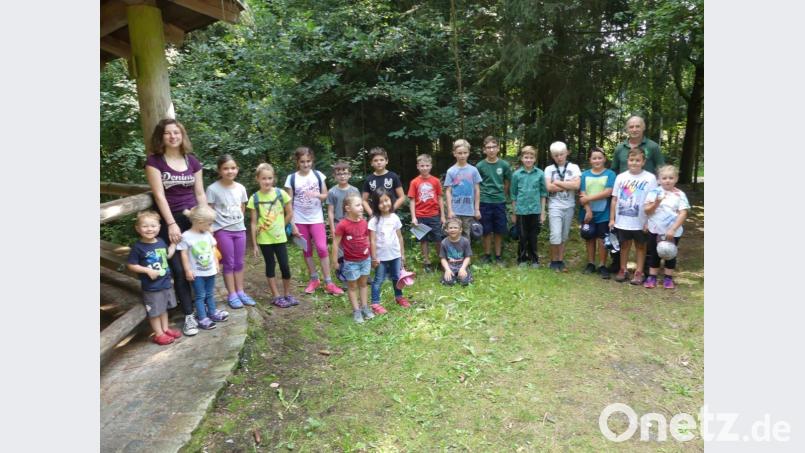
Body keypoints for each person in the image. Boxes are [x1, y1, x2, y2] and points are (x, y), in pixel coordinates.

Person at [144, 118, 207, 336]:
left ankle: (204, 308)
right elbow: (159, 196)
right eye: (168, 133)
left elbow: (200, 193)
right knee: (179, 270)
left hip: (193, 220)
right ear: (161, 137)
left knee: (199, 263)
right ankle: (188, 315)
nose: (173, 136)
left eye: (176, 132)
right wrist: (171, 224)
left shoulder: (193, 161)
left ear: (182, 135)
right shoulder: (154, 162)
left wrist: (204, 220)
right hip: (170, 222)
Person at [609, 115, 665, 277]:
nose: (634, 129)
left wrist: (663, 194)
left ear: (643, 127)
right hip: (624, 196)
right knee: (624, 242)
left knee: (642, 243)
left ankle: (644, 269)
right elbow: (613, 170)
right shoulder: (620, 148)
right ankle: (620, 266)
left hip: (645, 201)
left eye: (637, 126)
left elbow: (661, 170)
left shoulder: (653, 147)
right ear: (627, 129)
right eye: (631, 126)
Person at [284, 146, 344, 295]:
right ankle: (314, 279)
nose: (306, 164)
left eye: (308, 161)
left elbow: (326, 195)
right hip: (299, 220)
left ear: (312, 161)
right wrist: (292, 224)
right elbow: (288, 203)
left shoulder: (318, 175)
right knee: (307, 249)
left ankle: (329, 282)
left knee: (322, 248)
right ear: (297, 162)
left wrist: (316, 195)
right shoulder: (291, 178)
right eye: (302, 161)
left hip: (316, 219)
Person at [206, 154, 255, 309]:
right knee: (229, 262)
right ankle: (232, 294)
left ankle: (241, 292)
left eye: (233, 168)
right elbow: (209, 211)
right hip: (222, 230)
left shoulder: (241, 188)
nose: (230, 171)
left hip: (239, 230)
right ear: (219, 170)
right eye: (226, 168)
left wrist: (238, 221)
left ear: (237, 169)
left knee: (239, 262)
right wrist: (210, 232)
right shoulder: (212, 189)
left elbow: (242, 207)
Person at [126, 211, 182, 345]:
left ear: (159, 227)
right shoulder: (138, 247)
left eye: (153, 226)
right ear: (138, 228)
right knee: (155, 312)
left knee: (164, 308)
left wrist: (174, 245)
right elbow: (131, 265)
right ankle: (159, 334)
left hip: (165, 283)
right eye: (145, 226)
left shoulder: (161, 241)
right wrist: (147, 270)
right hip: (152, 287)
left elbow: (167, 255)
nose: (149, 229)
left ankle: (165, 329)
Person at [248, 163, 299, 307]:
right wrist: (255, 244)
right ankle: (276, 296)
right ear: (258, 179)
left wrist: (281, 226)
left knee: (285, 266)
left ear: (273, 178)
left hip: (280, 238)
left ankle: (287, 294)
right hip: (264, 239)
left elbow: (290, 213)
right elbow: (253, 223)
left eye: (269, 178)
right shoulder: (254, 198)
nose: (267, 181)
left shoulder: (281, 194)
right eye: (263, 178)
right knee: (270, 265)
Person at [609, 148, 658, 285]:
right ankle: (623, 269)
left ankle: (639, 272)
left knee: (641, 246)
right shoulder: (621, 177)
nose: (634, 163)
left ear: (643, 162)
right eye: (631, 160)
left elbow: (653, 202)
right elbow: (614, 199)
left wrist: (649, 221)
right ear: (627, 161)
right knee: (624, 245)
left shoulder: (650, 178)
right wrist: (612, 219)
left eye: (638, 160)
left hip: (641, 221)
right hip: (622, 220)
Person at [177, 205, 230, 331]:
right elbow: (184, 254)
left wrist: (216, 263)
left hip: (210, 271)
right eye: (209, 224)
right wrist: (188, 270)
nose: (211, 226)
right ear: (200, 222)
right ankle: (202, 318)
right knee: (200, 295)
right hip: (197, 273)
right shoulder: (186, 236)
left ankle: (212, 312)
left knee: (210, 293)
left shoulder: (207, 234)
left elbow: (213, 249)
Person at [643, 165, 689, 289]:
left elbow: (683, 213)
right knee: (654, 253)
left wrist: (673, 229)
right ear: (659, 180)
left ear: (676, 179)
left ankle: (668, 278)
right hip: (655, 230)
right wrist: (657, 203)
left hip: (673, 232)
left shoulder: (680, 195)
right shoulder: (653, 193)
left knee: (670, 254)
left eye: (671, 178)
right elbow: (647, 210)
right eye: (664, 178)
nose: (667, 180)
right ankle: (652, 276)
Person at [332, 193, 375, 323]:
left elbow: (367, 239)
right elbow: (335, 243)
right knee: (352, 286)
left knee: (363, 284)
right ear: (348, 208)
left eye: (361, 205)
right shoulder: (342, 225)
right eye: (358, 205)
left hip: (365, 260)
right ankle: (356, 311)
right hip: (350, 262)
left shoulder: (364, 223)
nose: (361, 207)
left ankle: (365, 308)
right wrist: (334, 261)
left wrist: (372, 256)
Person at [369, 189, 411, 314]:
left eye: (386, 200)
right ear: (376, 204)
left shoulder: (395, 218)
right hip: (380, 257)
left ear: (391, 200)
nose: (384, 204)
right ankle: (375, 303)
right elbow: (372, 241)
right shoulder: (374, 221)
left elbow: (400, 237)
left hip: (395, 255)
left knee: (396, 277)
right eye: (380, 202)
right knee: (378, 280)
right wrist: (374, 257)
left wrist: (402, 254)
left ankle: (399, 297)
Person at [578, 147, 617, 278]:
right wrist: (588, 210)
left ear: (604, 159)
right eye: (594, 158)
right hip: (587, 212)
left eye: (600, 158)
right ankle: (590, 263)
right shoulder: (584, 175)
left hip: (604, 213)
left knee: (602, 238)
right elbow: (582, 194)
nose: (597, 160)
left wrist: (588, 198)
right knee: (589, 237)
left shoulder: (610, 174)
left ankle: (602, 265)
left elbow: (608, 192)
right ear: (590, 160)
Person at [544, 141, 581, 272]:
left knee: (564, 235)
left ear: (567, 153)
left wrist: (557, 182)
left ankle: (560, 260)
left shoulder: (574, 167)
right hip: (554, 206)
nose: (559, 157)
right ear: (552, 156)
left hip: (569, 205)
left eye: (561, 154)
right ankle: (553, 261)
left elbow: (576, 186)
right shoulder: (549, 169)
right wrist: (567, 184)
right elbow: (549, 187)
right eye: (556, 155)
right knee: (555, 234)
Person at [476, 136, 512, 265]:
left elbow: (507, 182)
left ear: (498, 149)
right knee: (486, 230)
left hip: (499, 202)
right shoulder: (480, 166)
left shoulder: (504, 165)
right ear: (484, 150)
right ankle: (486, 255)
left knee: (498, 230)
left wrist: (503, 194)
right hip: (484, 201)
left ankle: (498, 256)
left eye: (493, 147)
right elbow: (477, 185)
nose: (491, 150)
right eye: (488, 147)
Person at [510, 146, 547, 268]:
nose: (528, 160)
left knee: (533, 236)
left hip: (535, 210)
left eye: (531, 157)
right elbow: (513, 195)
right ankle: (522, 259)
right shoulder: (516, 175)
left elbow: (543, 194)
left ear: (535, 159)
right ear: (522, 158)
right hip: (521, 211)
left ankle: (534, 259)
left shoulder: (540, 174)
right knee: (522, 236)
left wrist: (542, 212)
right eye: (526, 157)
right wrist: (514, 213)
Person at [408, 153, 445, 273]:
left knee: (438, 239)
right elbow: (412, 200)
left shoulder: (436, 181)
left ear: (431, 166)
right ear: (418, 166)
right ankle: (426, 262)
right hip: (420, 216)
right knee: (423, 240)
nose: (424, 168)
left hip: (434, 215)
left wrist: (442, 216)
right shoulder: (414, 182)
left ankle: (442, 260)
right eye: (422, 166)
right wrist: (413, 217)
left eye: (427, 165)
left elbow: (440, 198)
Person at [326, 161, 360, 278]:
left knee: (355, 246)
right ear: (334, 176)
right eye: (339, 174)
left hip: (353, 222)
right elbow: (330, 211)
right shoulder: (332, 192)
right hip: (338, 223)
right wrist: (332, 228)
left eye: (345, 173)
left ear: (349, 175)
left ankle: (358, 270)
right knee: (340, 248)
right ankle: (341, 271)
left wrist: (360, 221)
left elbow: (358, 207)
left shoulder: (355, 190)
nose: (342, 176)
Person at [444, 139, 482, 240]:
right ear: (454, 154)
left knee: (466, 234)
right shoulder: (451, 171)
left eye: (465, 153)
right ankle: (453, 251)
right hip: (455, 210)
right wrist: (450, 210)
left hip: (469, 210)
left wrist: (477, 209)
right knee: (453, 234)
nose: (462, 155)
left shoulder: (473, 170)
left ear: (468, 153)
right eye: (459, 153)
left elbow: (477, 190)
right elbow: (448, 191)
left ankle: (466, 250)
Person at [361, 147, 406, 216]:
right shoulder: (369, 179)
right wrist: (371, 213)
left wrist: (391, 210)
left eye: (381, 160)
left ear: (386, 161)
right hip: (376, 215)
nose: (379, 162)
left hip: (391, 215)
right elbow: (364, 200)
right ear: (371, 163)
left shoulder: (393, 176)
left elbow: (402, 197)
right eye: (375, 160)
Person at [439, 217, 474, 286]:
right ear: (446, 230)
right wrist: (447, 270)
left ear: (460, 230)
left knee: (465, 282)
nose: (453, 230)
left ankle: (464, 275)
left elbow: (467, 257)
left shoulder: (465, 241)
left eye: (455, 228)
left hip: (462, 265)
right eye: (450, 228)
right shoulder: (444, 242)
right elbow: (443, 258)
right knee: (449, 283)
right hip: (450, 266)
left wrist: (463, 268)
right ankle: (451, 277)